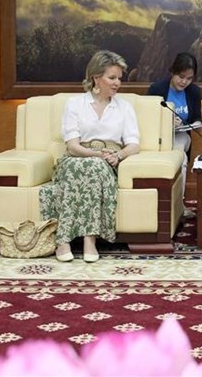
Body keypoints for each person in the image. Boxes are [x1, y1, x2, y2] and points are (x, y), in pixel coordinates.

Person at [40, 50, 140, 263]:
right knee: (87, 166)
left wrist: (119, 155)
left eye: (119, 78)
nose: (117, 83)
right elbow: (73, 146)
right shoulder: (75, 104)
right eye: (112, 78)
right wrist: (96, 154)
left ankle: (88, 240)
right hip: (76, 158)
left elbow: (133, 144)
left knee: (95, 167)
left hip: (107, 161)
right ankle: (64, 240)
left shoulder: (124, 107)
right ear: (96, 77)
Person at [147, 52, 202, 219]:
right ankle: (174, 205)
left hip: (181, 135)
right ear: (173, 71)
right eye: (181, 76)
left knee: (179, 151)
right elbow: (147, 118)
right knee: (182, 160)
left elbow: (197, 119)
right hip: (158, 136)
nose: (184, 82)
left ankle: (176, 204)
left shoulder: (193, 92)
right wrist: (167, 122)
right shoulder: (157, 89)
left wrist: (196, 125)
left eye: (189, 78)